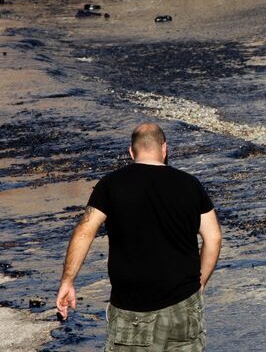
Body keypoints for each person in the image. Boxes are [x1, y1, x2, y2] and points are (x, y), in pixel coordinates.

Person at [56, 122, 222, 351]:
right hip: (184, 305)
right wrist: (200, 282)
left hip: (132, 309)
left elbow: (85, 230)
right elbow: (213, 237)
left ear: (131, 152)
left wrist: (68, 280)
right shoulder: (190, 184)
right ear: (164, 149)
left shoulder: (111, 184)